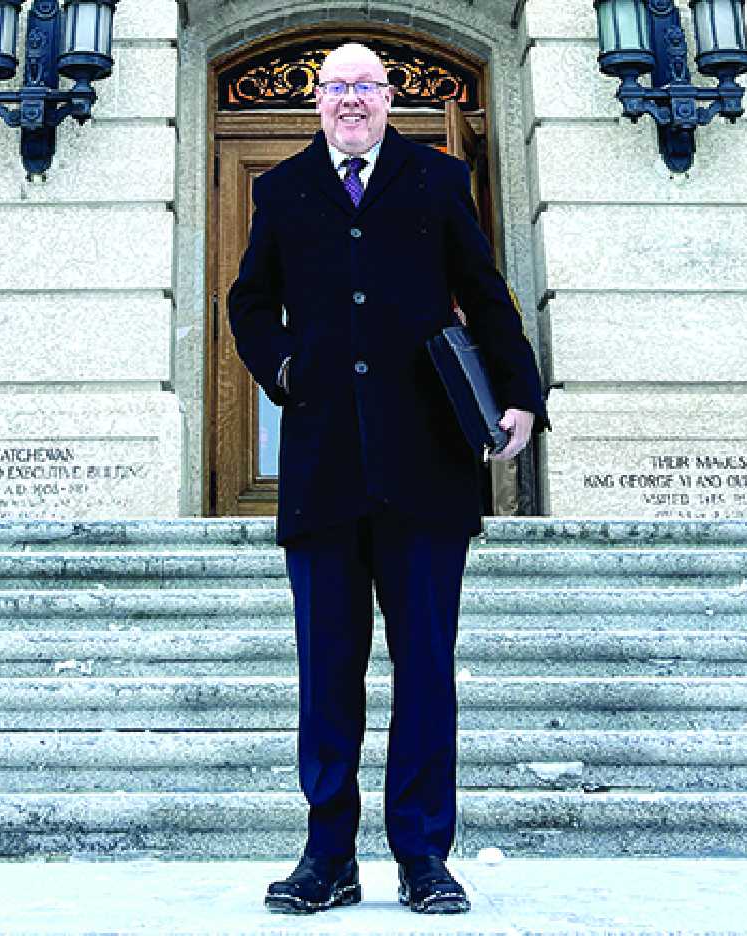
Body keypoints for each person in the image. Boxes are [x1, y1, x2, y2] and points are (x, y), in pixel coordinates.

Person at [227, 41, 548, 916]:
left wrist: (520, 396)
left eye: (366, 87)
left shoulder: (438, 180)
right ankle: (327, 856)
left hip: (428, 468)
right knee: (327, 673)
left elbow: (486, 295)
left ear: (390, 97)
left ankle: (423, 857)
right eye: (336, 88)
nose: (351, 102)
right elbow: (248, 302)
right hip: (324, 469)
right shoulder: (282, 188)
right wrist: (284, 367)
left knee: (425, 671)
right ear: (318, 101)